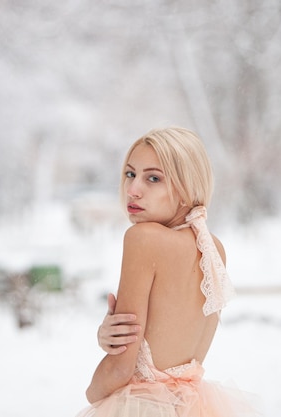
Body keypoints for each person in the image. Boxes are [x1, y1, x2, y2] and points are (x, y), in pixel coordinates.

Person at [76, 127, 258, 417]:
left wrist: (92, 395)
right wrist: (109, 337)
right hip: (193, 407)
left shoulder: (143, 239)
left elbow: (120, 368)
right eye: (130, 174)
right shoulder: (213, 248)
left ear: (187, 186)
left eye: (154, 178)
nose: (133, 189)